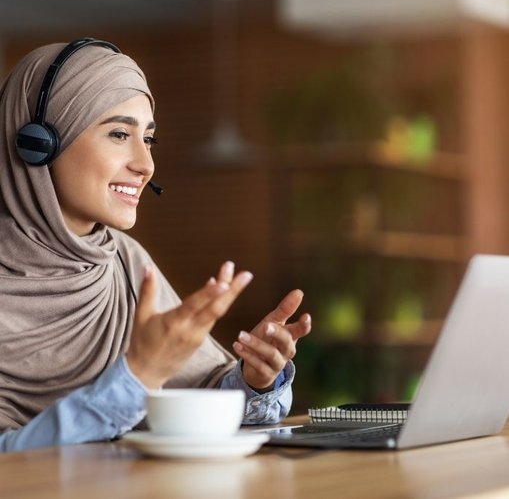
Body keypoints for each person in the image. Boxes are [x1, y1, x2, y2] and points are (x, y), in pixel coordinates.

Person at [0, 39, 312, 452]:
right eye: (117, 133)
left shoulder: (126, 264)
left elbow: (194, 402)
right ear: (38, 146)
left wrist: (254, 378)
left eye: (148, 139)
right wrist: (138, 374)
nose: (145, 165)